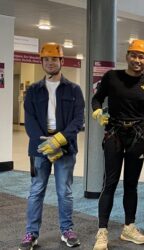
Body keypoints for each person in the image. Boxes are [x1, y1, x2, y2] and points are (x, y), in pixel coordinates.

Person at [91, 39, 144, 250]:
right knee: (110, 183)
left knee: (132, 184)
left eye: (142, 56)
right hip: (114, 134)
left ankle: (129, 228)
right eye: (134, 55)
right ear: (127, 56)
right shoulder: (112, 77)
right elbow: (97, 98)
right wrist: (97, 111)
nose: (137, 60)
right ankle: (102, 231)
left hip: (137, 137)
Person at [19, 42, 84, 250]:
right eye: (46, 59)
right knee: (36, 190)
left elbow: (78, 119)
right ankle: (31, 233)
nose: (50, 62)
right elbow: (29, 120)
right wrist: (45, 142)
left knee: (64, 191)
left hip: (65, 147)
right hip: (39, 148)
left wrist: (60, 140)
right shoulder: (33, 90)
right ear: (41, 62)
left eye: (54, 59)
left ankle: (67, 230)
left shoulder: (74, 89)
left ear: (62, 61)